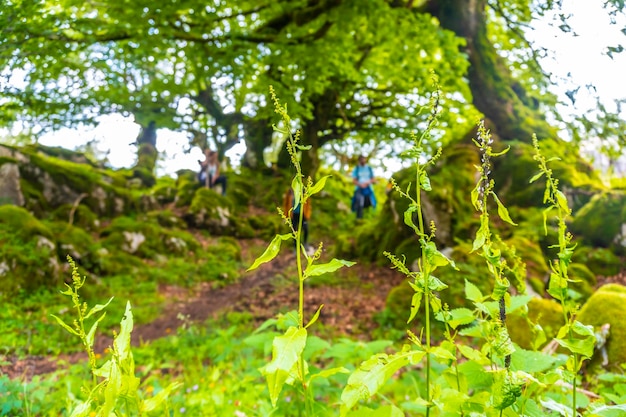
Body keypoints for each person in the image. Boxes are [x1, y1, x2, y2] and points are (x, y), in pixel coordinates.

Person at [283, 187, 312, 252]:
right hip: (293, 215)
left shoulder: (304, 191)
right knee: (294, 231)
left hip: (302, 214)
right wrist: (286, 216)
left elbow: (308, 204)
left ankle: (305, 243)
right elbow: (286, 204)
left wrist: (308, 215)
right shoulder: (290, 192)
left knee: (306, 229)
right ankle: (295, 247)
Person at [351, 154, 376, 219]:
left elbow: (373, 179)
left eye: (364, 159)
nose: (363, 160)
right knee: (359, 202)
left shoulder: (369, 168)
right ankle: (359, 218)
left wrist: (367, 183)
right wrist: (360, 184)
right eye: (361, 159)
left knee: (369, 202)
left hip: (368, 188)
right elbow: (354, 180)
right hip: (359, 188)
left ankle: (369, 217)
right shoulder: (356, 169)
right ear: (359, 160)